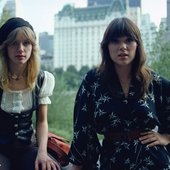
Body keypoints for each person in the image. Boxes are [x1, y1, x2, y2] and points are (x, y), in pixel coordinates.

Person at [68, 17, 170, 170]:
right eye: (115, 41)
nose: (123, 47)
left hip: (152, 161)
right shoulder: (93, 81)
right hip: (113, 161)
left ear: (138, 45)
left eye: (129, 40)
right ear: (106, 46)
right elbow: (82, 126)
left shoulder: (154, 81)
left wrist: (166, 137)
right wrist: (77, 164)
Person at [0, 17, 60, 170]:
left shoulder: (41, 79)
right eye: (14, 43)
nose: (21, 48)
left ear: (33, 47)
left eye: (26, 43)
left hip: (27, 148)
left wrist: (42, 152)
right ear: (5, 47)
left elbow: (41, 122)